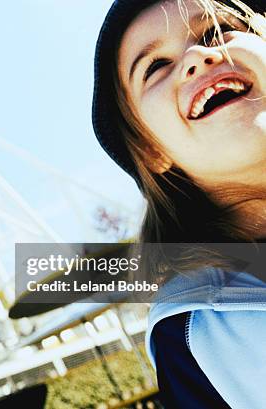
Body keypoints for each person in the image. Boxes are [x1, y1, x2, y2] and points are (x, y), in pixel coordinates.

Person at [92, 0, 266, 407]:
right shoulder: (197, 337)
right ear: (152, 152)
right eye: (154, 67)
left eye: (217, 31)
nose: (198, 56)